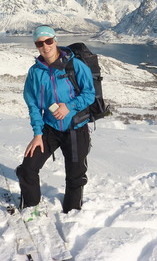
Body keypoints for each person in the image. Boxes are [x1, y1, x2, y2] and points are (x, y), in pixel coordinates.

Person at [16, 25, 96, 217]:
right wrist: (37, 133)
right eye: (39, 43)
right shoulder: (35, 72)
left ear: (55, 40)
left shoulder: (76, 65)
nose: (45, 46)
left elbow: (89, 94)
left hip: (76, 127)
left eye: (48, 41)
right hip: (49, 129)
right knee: (28, 168)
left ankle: (72, 211)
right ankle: (31, 206)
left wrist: (69, 106)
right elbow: (33, 104)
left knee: (75, 175)